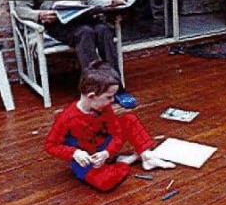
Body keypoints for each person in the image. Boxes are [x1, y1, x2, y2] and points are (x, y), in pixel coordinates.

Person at [44, 61, 175, 192]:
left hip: (104, 149)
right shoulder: (67, 117)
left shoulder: (104, 108)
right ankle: (126, 161)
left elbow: (117, 133)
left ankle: (147, 156)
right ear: (92, 96)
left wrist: (107, 153)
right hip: (86, 159)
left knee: (129, 119)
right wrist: (74, 153)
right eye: (109, 97)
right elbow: (50, 145)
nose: (112, 100)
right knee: (104, 183)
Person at [15, 0, 135, 106]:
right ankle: (94, 91)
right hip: (58, 23)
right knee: (85, 32)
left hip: (83, 17)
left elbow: (91, 0)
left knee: (103, 30)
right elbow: (20, 9)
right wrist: (39, 14)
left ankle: (118, 89)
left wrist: (111, 1)